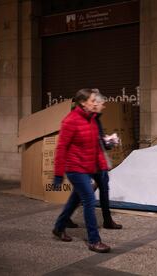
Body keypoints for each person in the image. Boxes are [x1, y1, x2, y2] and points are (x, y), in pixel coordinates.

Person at [51, 88, 111, 253]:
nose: (96, 103)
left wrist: (102, 166)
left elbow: (96, 148)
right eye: (93, 100)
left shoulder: (91, 119)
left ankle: (59, 227)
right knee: (89, 201)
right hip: (75, 168)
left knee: (74, 201)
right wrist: (58, 174)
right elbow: (61, 148)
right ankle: (94, 240)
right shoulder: (70, 121)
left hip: (89, 167)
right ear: (83, 103)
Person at [66, 91, 122, 230]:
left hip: (96, 160)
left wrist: (108, 142)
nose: (102, 105)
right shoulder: (79, 118)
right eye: (99, 102)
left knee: (100, 187)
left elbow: (98, 139)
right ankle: (66, 222)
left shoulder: (95, 117)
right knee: (87, 191)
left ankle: (107, 220)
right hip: (86, 162)